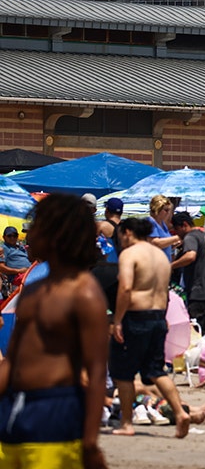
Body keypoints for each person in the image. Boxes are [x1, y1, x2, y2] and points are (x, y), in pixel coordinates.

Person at [0, 193, 109, 468]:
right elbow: (12, 360)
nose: (29, 234)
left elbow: (96, 373)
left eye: (36, 227)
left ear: (58, 234)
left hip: (54, 411)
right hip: (11, 408)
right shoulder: (33, 290)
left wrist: (90, 442)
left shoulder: (85, 293)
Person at [110, 217, 195, 438]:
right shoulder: (160, 256)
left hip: (136, 317)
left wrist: (117, 320)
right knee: (156, 370)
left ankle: (127, 423)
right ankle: (180, 412)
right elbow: (165, 292)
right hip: (159, 317)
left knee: (123, 371)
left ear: (127, 232)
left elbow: (126, 288)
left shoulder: (129, 254)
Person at [170, 211, 205, 334]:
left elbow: (190, 256)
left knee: (196, 329)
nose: (177, 234)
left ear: (184, 225)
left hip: (198, 291)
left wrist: (171, 266)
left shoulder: (190, 237)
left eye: (176, 230)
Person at [0, 226, 31, 299]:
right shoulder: (4, 248)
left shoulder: (21, 248)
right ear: (4, 237)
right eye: (9, 236)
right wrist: (20, 271)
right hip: (18, 277)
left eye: (15, 236)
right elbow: (1, 268)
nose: (12, 238)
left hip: (28, 273)